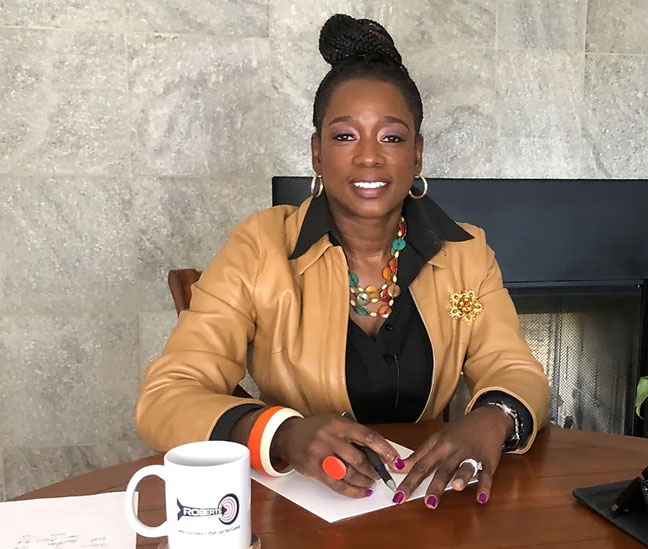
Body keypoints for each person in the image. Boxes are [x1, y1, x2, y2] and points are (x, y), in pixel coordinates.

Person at [136, 13, 550, 509]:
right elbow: (166, 396)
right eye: (345, 136)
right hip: (299, 506)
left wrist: (492, 417)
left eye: (392, 138)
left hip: (426, 504)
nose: (369, 158)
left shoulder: (465, 255)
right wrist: (282, 434)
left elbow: (511, 365)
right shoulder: (259, 249)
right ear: (316, 154)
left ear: (417, 155)